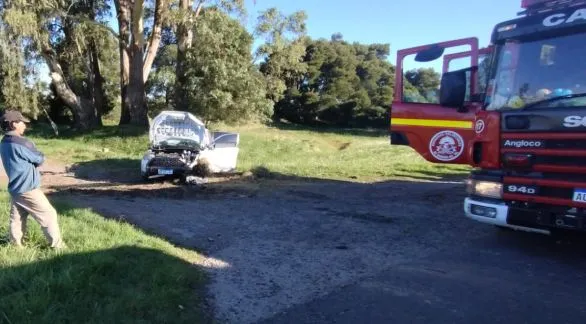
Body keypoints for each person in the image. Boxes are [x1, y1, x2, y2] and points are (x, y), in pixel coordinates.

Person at [0, 110, 65, 249]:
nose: (25, 125)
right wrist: (39, 154)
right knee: (49, 214)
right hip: (28, 188)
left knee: (17, 218)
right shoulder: (23, 143)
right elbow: (40, 158)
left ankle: (15, 245)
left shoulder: (4, 141)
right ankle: (58, 247)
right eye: (22, 122)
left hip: (15, 187)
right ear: (13, 124)